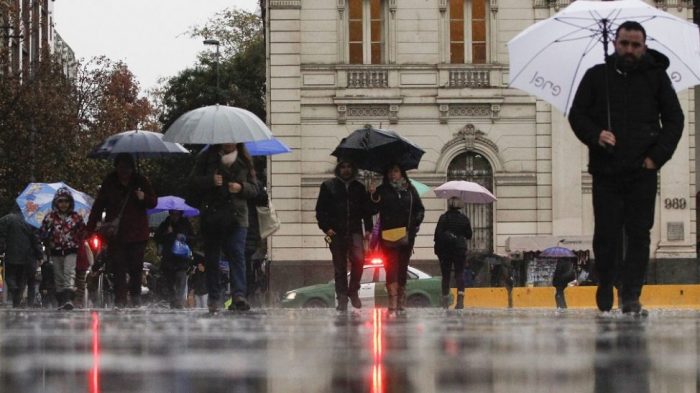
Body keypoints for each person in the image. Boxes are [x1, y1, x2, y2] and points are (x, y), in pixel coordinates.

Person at [569, 21, 684, 315]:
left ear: (644, 47)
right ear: (616, 44)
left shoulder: (656, 78)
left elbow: (675, 120)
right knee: (606, 234)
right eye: (624, 44)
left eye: (635, 45)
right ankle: (606, 282)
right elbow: (577, 114)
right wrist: (596, 135)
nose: (629, 50)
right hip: (606, 171)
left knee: (638, 234)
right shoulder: (598, 77)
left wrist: (656, 157)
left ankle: (631, 294)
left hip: (642, 171)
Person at [188, 143, 258, 313]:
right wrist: (210, 181)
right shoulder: (206, 157)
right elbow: (192, 182)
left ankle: (239, 296)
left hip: (237, 217)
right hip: (213, 215)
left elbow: (255, 188)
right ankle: (214, 296)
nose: (229, 141)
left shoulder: (244, 160)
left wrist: (241, 188)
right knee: (212, 257)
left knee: (236, 253)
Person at [86, 153, 157, 308]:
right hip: (117, 234)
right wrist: (90, 228)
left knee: (136, 267)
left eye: (127, 167)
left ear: (132, 168)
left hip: (138, 233)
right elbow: (98, 206)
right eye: (121, 167)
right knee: (118, 266)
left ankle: (136, 296)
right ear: (116, 167)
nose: (124, 171)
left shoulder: (141, 181)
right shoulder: (109, 182)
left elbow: (153, 202)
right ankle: (120, 299)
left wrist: (143, 197)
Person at [315, 158, 373, 311]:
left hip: (355, 231)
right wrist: (326, 228)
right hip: (336, 232)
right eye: (343, 166)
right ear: (339, 168)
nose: (346, 170)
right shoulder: (329, 186)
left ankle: (353, 290)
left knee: (359, 261)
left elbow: (367, 210)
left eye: (349, 166)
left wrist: (368, 228)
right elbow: (321, 210)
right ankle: (341, 297)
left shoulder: (359, 188)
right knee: (340, 267)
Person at [369, 163, 425, 313]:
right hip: (388, 236)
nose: (393, 174)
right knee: (391, 268)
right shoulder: (382, 190)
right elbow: (373, 209)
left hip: (406, 236)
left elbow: (420, 210)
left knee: (402, 268)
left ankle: (401, 300)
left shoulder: (410, 190)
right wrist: (373, 195)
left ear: (401, 173)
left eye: (395, 171)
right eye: (390, 171)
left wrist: (414, 223)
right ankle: (392, 301)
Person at [39, 187, 87, 310]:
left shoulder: (76, 217)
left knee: (68, 273)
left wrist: (76, 237)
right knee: (58, 276)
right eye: (60, 201)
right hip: (56, 251)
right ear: (56, 202)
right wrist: (47, 238)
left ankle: (68, 299)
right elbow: (42, 232)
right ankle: (61, 301)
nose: (63, 204)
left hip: (71, 250)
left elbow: (83, 232)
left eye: (66, 201)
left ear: (70, 202)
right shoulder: (50, 217)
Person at [0, 207, 44, 308]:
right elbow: (36, 239)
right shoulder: (31, 221)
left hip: (11, 253)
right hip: (27, 256)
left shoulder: (6, 219)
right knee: (21, 280)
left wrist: (2, 249)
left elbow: (1, 235)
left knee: (9, 276)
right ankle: (16, 302)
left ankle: (13, 289)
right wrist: (40, 254)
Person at [434, 197, 472, 309]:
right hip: (460, 249)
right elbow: (469, 235)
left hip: (445, 250)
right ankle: (460, 301)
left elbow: (437, 235)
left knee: (446, 276)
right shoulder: (464, 219)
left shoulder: (443, 218)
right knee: (459, 274)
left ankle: (445, 301)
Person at [154, 209, 194, 309]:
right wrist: (167, 233)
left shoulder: (186, 224)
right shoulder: (165, 224)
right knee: (170, 282)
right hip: (168, 259)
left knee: (181, 279)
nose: (175, 216)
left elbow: (193, 238)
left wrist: (184, 237)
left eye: (177, 214)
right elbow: (157, 238)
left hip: (182, 259)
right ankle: (174, 300)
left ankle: (179, 301)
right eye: (173, 214)